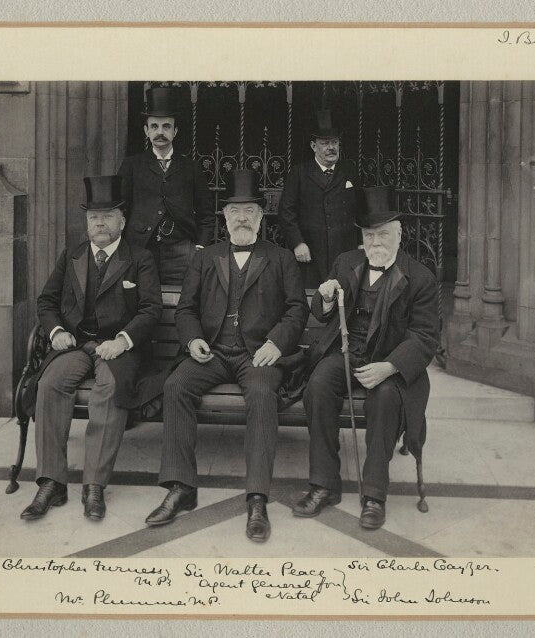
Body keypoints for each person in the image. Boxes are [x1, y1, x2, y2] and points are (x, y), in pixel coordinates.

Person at [145, 169, 308, 542]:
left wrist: (276, 344)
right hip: (214, 352)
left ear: (261, 217)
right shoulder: (207, 257)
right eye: (234, 212)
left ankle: (257, 497)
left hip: (258, 356)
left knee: (263, 395)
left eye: (250, 211)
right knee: (176, 386)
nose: (242, 219)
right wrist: (192, 341)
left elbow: (297, 309)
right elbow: (185, 309)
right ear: (224, 218)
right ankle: (181, 487)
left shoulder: (280, 258)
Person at [292, 186, 439, 530]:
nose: (376, 242)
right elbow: (321, 310)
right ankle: (324, 484)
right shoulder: (347, 262)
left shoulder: (420, 277)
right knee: (317, 387)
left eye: (384, 234)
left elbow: (425, 336)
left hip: (390, 361)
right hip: (345, 352)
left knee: (386, 400)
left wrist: (389, 367)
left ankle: (374, 495)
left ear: (399, 234)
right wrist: (326, 299)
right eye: (369, 234)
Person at [20, 175, 162, 522]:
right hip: (75, 345)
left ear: (122, 221)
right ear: (86, 223)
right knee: (50, 384)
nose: (100, 223)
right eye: (93, 218)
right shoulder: (73, 254)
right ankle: (52, 482)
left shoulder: (140, 258)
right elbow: (47, 301)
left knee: (109, 389)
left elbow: (151, 309)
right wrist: (54, 331)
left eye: (108, 216)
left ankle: (93, 486)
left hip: (118, 348)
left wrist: (123, 340)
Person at [118, 86, 215, 285]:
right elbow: (121, 209)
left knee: (185, 304)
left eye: (166, 126)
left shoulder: (191, 167)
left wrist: (200, 247)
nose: (160, 132)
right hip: (141, 250)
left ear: (175, 131)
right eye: (154, 126)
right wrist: (126, 247)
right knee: (143, 303)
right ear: (146, 130)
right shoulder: (132, 165)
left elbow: (206, 214)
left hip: (182, 253)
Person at [278, 109, 358, 288]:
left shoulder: (349, 170)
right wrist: (298, 243)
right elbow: (286, 211)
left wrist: (361, 243)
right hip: (311, 252)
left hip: (344, 250)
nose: (332, 147)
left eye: (335, 142)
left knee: (345, 295)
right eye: (325, 143)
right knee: (313, 299)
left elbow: (360, 209)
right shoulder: (299, 173)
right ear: (314, 146)